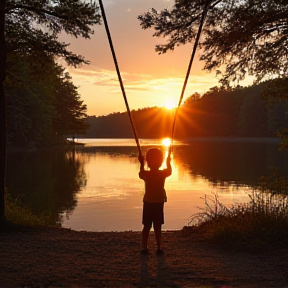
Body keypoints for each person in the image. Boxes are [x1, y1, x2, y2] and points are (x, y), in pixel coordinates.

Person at [138, 147, 172, 254]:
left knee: (147, 226)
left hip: (148, 203)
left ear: (148, 161)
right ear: (160, 161)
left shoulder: (146, 174)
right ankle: (158, 247)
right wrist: (168, 161)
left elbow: (141, 173)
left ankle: (144, 247)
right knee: (157, 226)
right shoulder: (162, 173)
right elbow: (170, 171)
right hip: (158, 203)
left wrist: (141, 163)